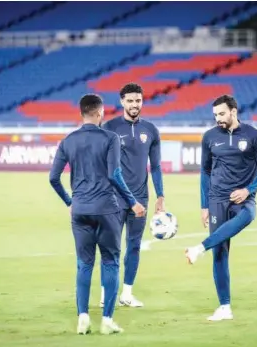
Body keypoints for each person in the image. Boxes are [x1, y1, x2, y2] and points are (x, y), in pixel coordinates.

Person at [49, 93, 146, 335]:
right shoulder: (110, 138)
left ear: (81, 113)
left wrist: (69, 201)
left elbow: (53, 178)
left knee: (84, 264)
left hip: (80, 210)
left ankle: (82, 316)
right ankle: (107, 321)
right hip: (106, 209)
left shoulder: (68, 141)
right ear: (100, 113)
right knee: (110, 262)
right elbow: (115, 174)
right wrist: (132, 202)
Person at [184, 94, 257, 321]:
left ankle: (199, 248)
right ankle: (224, 307)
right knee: (220, 252)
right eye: (215, 115)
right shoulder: (210, 137)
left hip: (243, 199)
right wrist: (204, 206)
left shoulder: (253, 136)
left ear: (233, 112)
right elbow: (205, 171)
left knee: (249, 215)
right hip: (217, 199)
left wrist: (248, 190)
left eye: (221, 114)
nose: (218, 119)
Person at [100, 83, 165, 308]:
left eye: (138, 100)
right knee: (111, 247)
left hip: (140, 199)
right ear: (122, 102)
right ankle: (104, 294)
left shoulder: (151, 130)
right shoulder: (109, 127)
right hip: (114, 198)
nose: (134, 104)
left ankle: (126, 294)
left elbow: (155, 166)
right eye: (130, 101)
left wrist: (161, 195)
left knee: (134, 245)